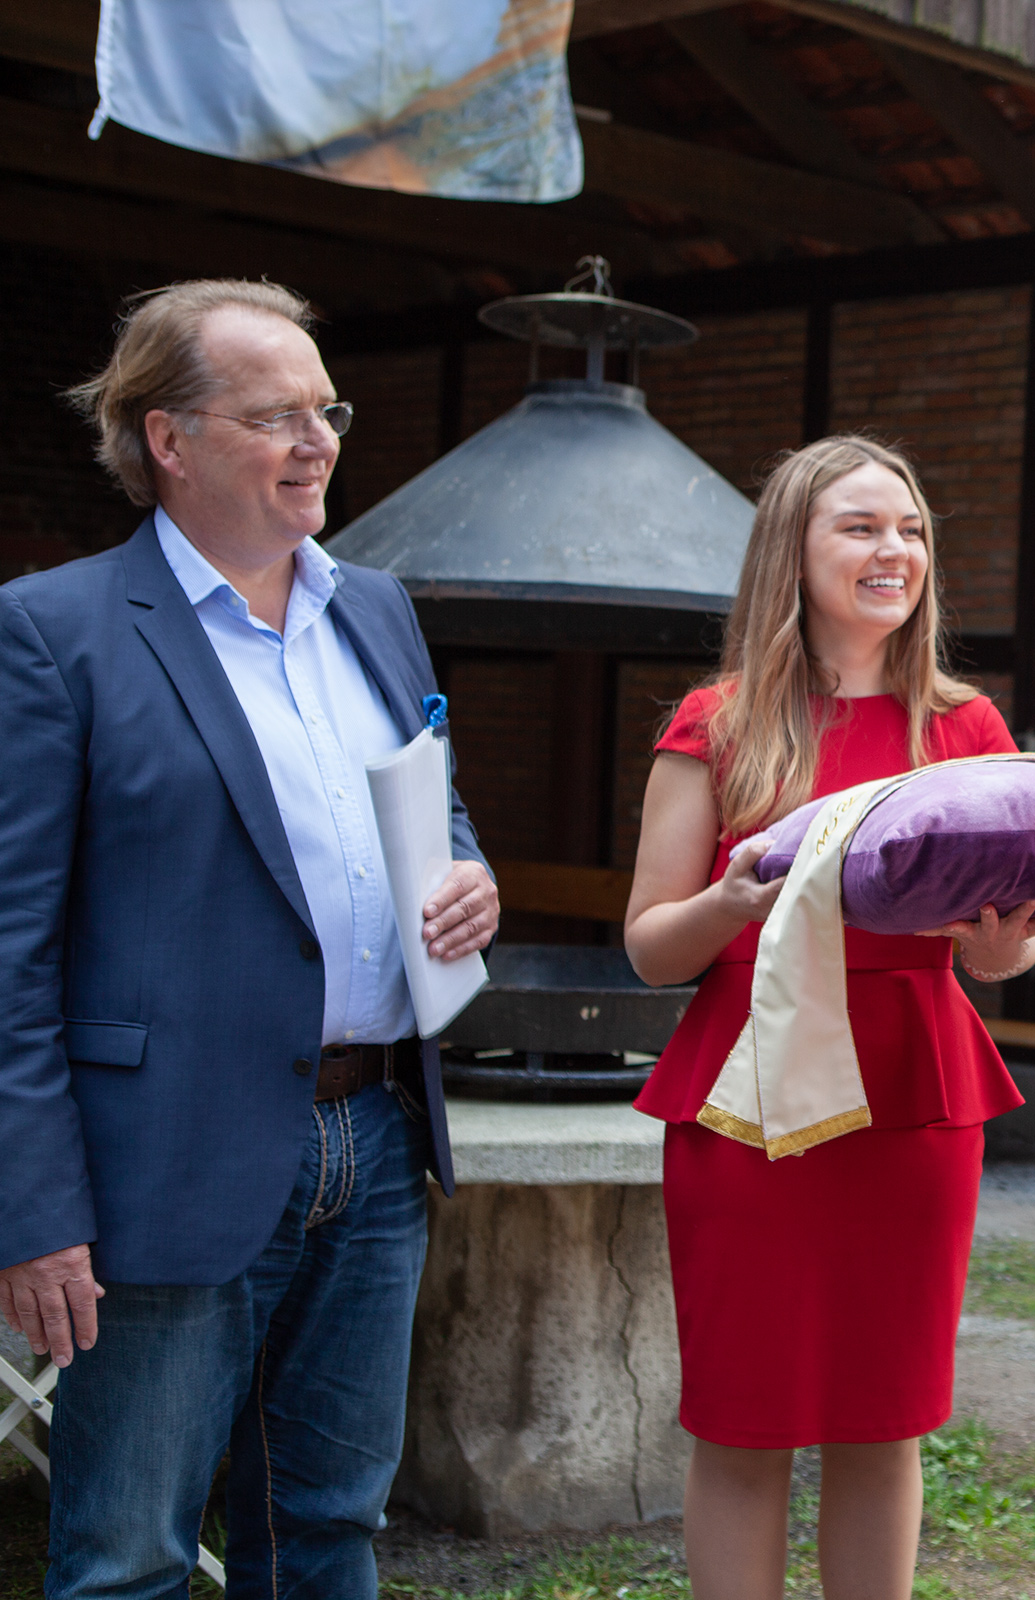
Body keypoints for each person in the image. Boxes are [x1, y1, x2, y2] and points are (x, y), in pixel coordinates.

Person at [0, 279, 497, 1599]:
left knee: (328, 1531)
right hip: (161, 1163)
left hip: (375, 1141)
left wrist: (469, 875)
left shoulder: (375, 607)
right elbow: (9, 952)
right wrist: (32, 1212)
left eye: (326, 409)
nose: (318, 440)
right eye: (275, 415)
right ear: (168, 438)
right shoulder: (53, 632)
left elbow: (431, 800)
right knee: (127, 1559)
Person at [624, 435, 1035, 1600]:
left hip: (912, 1094)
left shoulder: (967, 728)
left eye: (911, 529)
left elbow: (1007, 948)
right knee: (743, 1420)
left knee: (885, 1418)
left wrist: (1003, 948)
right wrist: (728, 902)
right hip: (746, 1098)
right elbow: (652, 947)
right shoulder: (716, 724)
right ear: (793, 549)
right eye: (861, 527)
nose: (894, 549)